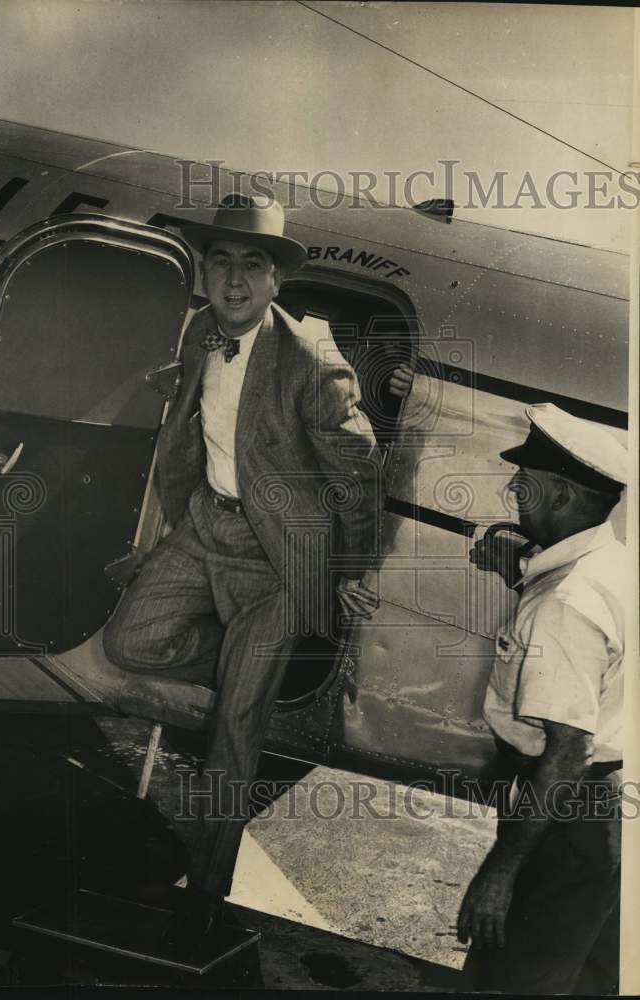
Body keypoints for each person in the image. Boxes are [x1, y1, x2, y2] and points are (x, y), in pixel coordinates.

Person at [103, 193, 415, 947]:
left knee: (233, 734)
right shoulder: (195, 333)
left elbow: (359, 471)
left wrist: (344, 570)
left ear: (277, 281)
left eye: (252, 265)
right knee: (129, 644)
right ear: (203, 274)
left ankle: (205, 893)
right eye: (220, 262)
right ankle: (250, 672)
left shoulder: (310, 358)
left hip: (279, 558)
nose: (234, 279)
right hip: (205, 524)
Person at [458, 402, 628, 994]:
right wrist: (516, 563)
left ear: (561, 497)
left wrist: (501, 871)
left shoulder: (565, 605)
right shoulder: (610, 566)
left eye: (524, 486)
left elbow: (565, 755)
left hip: (564, 819)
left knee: (510, 981)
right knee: (589, 980)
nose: (513, 494)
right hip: (607, 815)